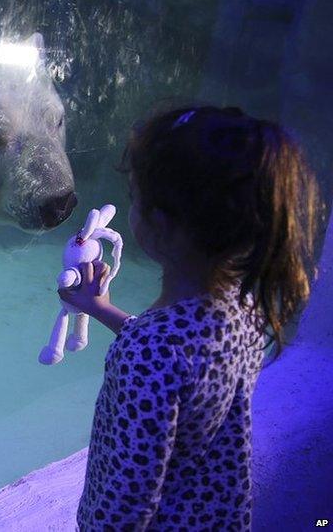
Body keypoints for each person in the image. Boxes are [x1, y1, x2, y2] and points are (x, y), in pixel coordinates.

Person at [57, 105, 327, 531]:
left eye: (135, 198)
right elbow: (182, 365)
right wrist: (102, 309)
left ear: (158, 223)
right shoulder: (245, 306)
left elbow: (128, 501)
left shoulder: (149, 354)